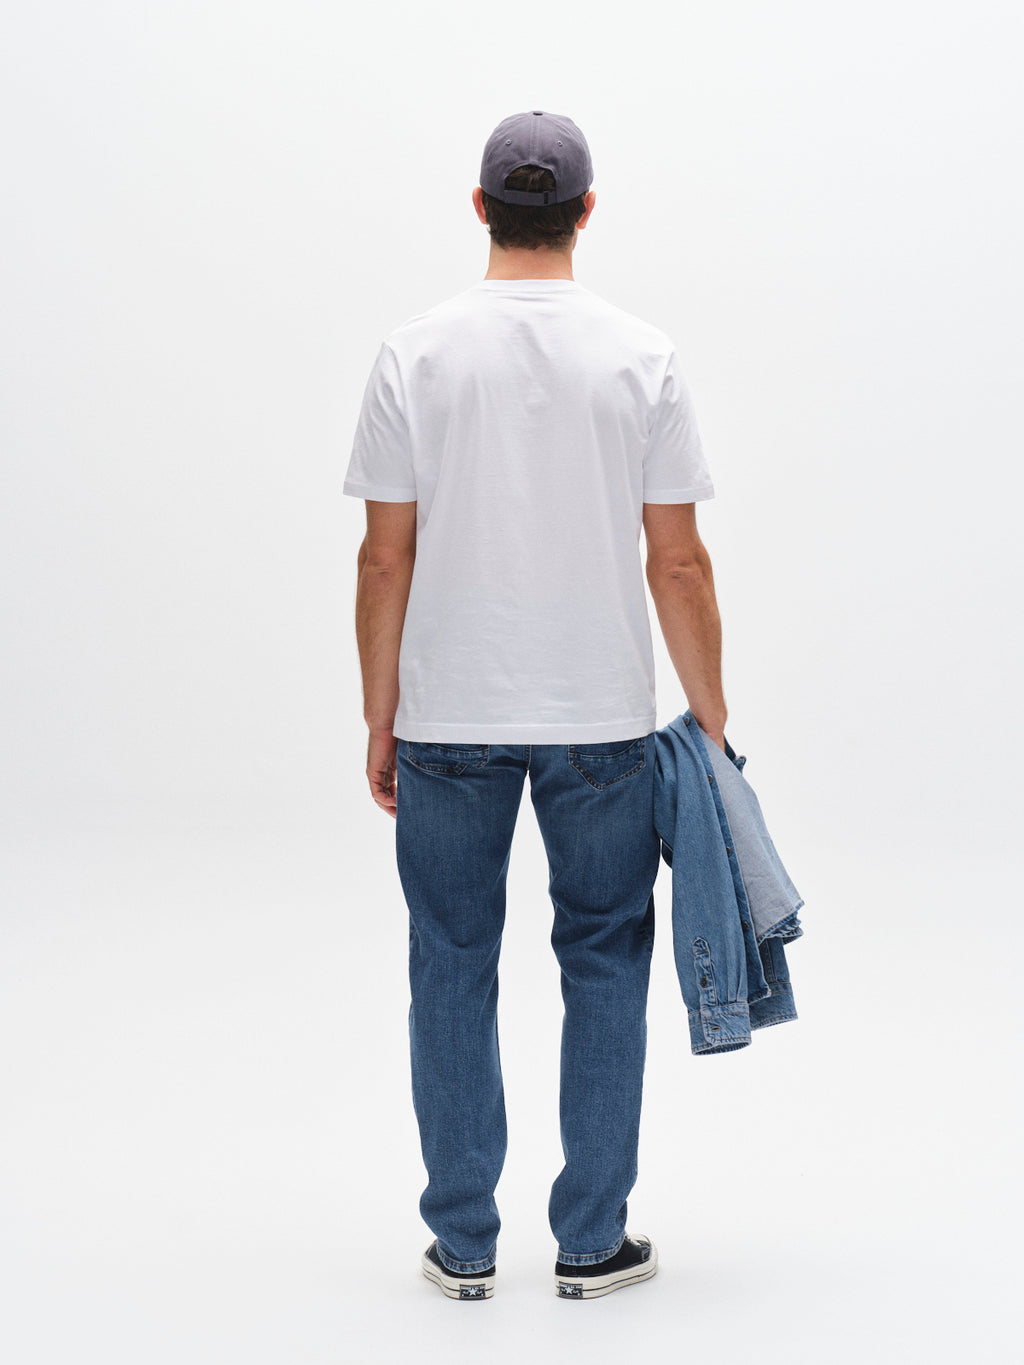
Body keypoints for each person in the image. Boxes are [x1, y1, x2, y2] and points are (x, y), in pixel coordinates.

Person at [344, 110, 727, 1301]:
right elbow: (679, 563)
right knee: (604, 962)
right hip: (602, 718)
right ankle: (588, 1241)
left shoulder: (414, 353)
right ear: (585, 212)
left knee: (448, 964)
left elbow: (381, 559)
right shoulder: (640, 355)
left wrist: (380, 712)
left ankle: (463, 1247)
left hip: (446, 712)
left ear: (479, 209)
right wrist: (710, 722)